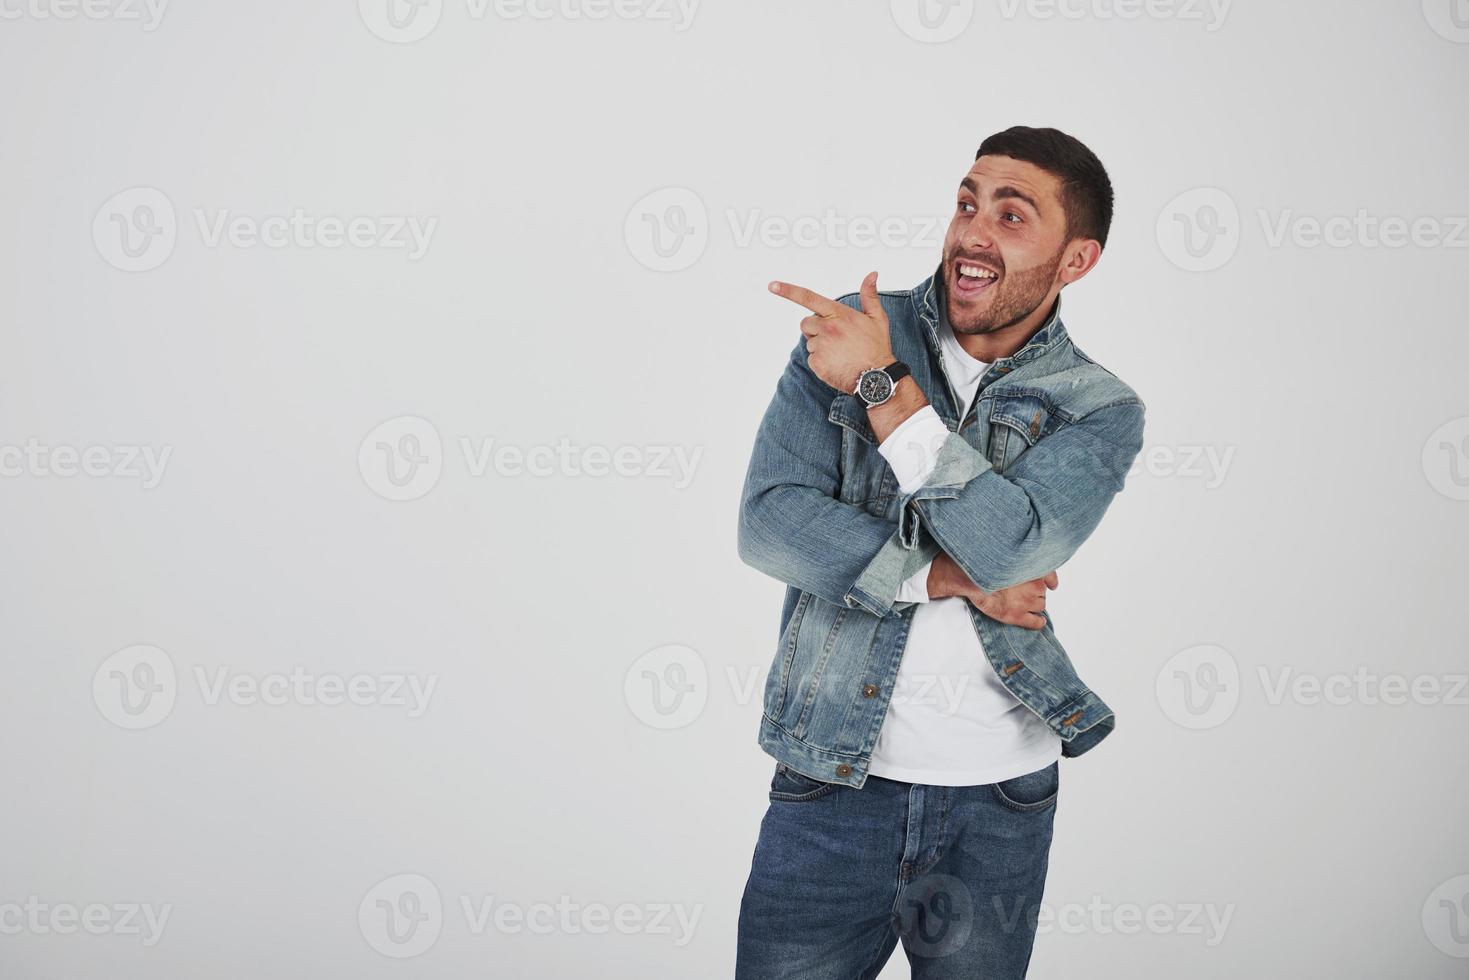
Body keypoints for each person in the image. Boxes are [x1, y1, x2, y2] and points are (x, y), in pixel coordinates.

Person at [734, 126, 1146, 979]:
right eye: (966, 202)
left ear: (1076, 261)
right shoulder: (854, 328)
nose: (972, 232)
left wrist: (883, 389)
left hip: (999, 804)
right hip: (827, 785)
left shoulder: (1096, 406)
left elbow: (1011, 545)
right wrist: (950, 577)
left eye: (1011, 214)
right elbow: (769, 522)